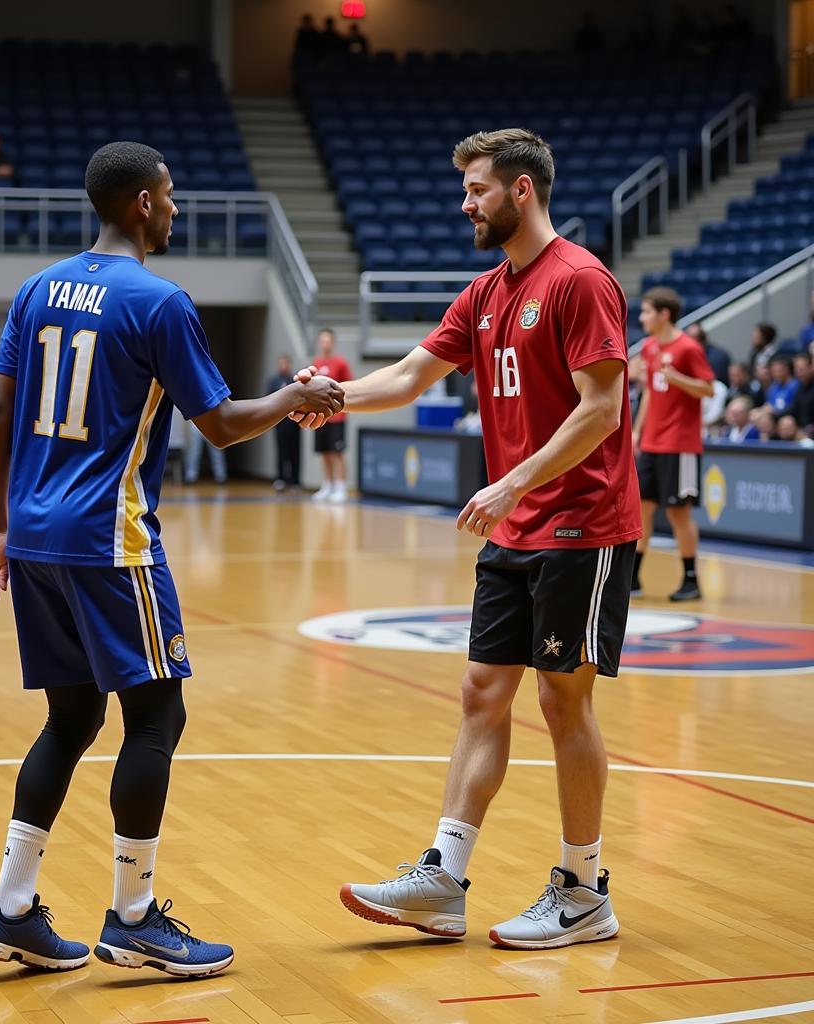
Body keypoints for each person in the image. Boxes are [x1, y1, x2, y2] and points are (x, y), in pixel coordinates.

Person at [0, 141, 342, 974]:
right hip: (111, 539)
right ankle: (133, 917)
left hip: (32, 538)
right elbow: (220, 423)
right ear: (140, 203)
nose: (174, 210)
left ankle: (12, 907)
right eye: (168, 197)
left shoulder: (35, 289)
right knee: (157, 717)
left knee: (71, 719)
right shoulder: (160, 300)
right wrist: (293, 398)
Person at [298, 128, 641, 949]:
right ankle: (444, 880)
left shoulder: (581, 280)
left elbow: (602, 408)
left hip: (580, 524)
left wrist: (515, 479)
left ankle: (585, 890)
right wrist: (332, 396)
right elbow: (412, 374)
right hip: (516, 525)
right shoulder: (484, 292)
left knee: (565, 700)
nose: (465, 204)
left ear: (522, 191)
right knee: (482, 694)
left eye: (478, 190)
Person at [632, 287, 714, 602]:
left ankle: (691, 580)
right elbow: (652, 393)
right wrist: (638, 431)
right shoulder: (651, 348)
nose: (642, 318)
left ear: (664, 314)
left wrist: (679, 379)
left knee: (679, 513)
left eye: (647, 312)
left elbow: (708, 389)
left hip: (680, 444)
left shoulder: (689, 348)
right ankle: (634, 578)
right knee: (642, 509)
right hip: (652, 441)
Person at [310, 328, 352, 502]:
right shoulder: (316, 363)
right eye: (323, 340)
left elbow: (348, 386)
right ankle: (327, 485)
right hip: (321, 418)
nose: (325, 343)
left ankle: (341, 486)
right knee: (325, 452)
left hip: (338, 418)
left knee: (337, 452)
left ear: (332, 342)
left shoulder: (340, 363)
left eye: (328, 340)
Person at [268, 354, 300, 490]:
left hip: (294, 423)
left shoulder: (295, 381)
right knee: (281, 451)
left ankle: (295, 481)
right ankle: (280, 479)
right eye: (280, 363)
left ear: (289, 364)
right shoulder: (273, 381)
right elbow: (268, 401)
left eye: (285, 363)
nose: (283, 366)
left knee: (295, 452)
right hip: (279, 423)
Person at [183, 418, 227, 484]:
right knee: (194, 451)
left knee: (216, 450)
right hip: (196, 422)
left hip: (211, 422)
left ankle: (221, 476)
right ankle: (190, 477)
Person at [792, 352, 814, 434]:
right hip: (802, 432)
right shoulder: (800, 387)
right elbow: (794, 408)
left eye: (802, 369)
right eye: (796, 369)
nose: (799, 372)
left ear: (811, 367)